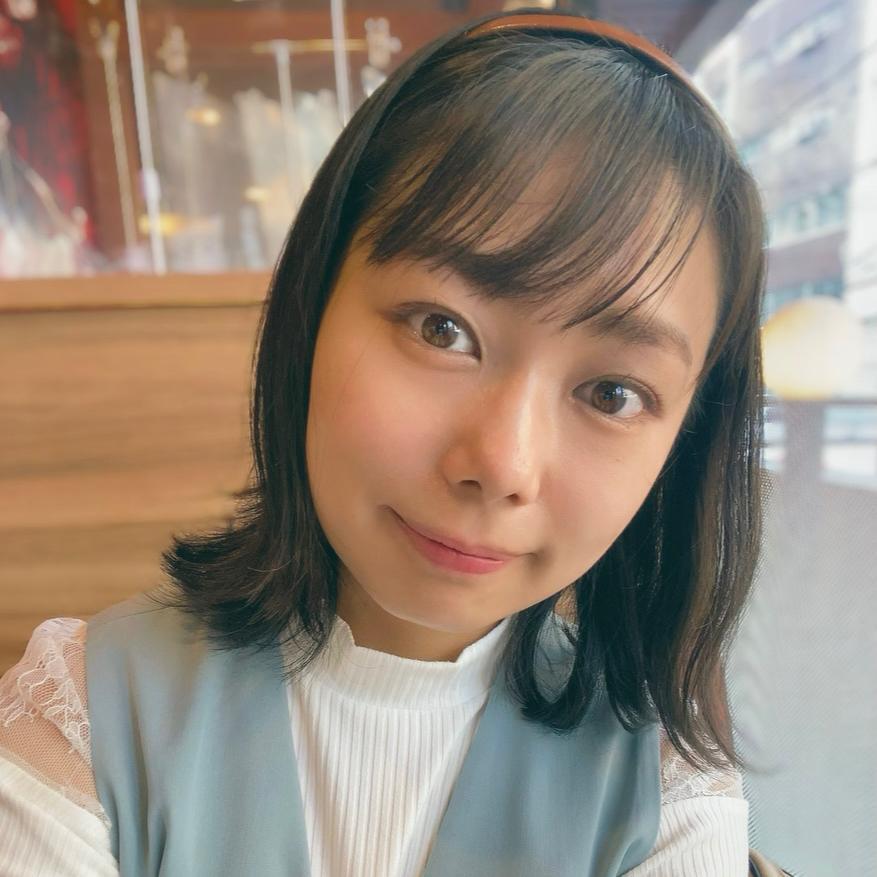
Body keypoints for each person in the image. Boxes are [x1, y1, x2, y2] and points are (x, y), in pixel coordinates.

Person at [0, 9, 765, 876]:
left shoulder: (665, 782)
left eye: (611, 393)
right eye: (442, 329)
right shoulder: (86, 709)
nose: (501, 464)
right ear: (314, 304)